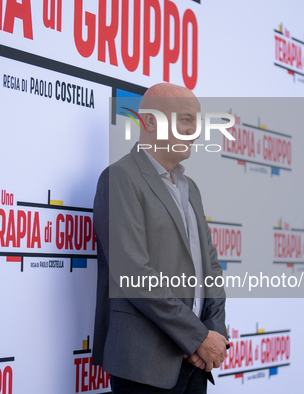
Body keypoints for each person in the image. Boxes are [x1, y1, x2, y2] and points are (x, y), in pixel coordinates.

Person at [92, 83, 228, 393]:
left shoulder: (190, 187)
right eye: (185, 120)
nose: (195, 132)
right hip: (144, 366)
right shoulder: (119, 178)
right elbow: (134, 274)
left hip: (196, 363)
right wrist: (198, 337)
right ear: (150, 121)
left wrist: (213, 334)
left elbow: (211, 268)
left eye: (197, 122)